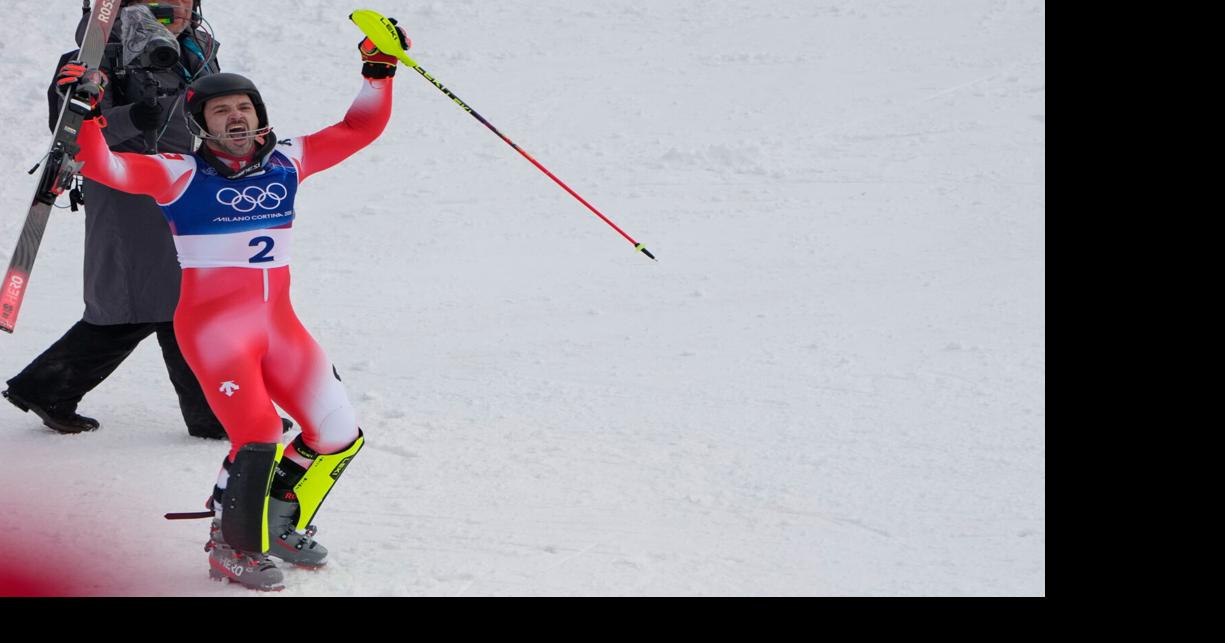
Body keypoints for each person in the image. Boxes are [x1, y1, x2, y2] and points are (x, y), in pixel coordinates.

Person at [56, 15, 411, 590]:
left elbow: (358, 127)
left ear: (259, 115)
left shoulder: (290, 160)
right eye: (221, 111)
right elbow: (105, 166)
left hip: (280, 327)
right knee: (259, 433)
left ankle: (276, 519)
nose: (236, 116)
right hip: (214, 332)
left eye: (244, 107)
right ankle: (229, 543)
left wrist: (379, 68)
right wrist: (87, 112)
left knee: (337, 432)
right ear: (200, 124)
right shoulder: (179, 173)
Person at [3, 0, 230, 439]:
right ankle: (210, 414)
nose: (175, 5)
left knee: (173, 302)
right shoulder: (97, 55)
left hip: (187, 187)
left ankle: (46, 388)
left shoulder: (197, 48)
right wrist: (131, 117)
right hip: (127, 189)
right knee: (150, 303)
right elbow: (68, 131)